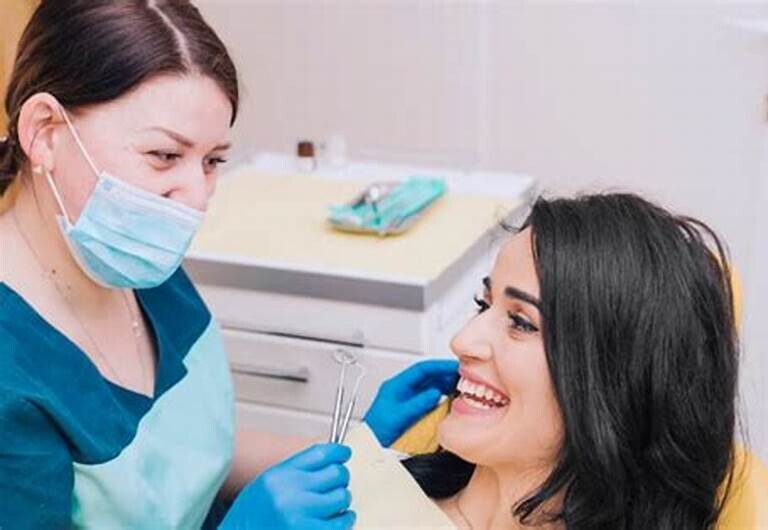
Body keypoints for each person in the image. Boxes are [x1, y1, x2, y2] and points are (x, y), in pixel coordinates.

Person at [0, 2, 457, 529]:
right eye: (164, 156)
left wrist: (356, 450)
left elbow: (186, 451)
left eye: (213, 160)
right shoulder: (12, 376)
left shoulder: (138, 263)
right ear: (44, 131)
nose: (196, 197)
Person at [404, 193, 739, 529]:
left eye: (521, 323)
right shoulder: (378, 494)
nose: (462, 341)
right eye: (484, 304)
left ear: (615, 387)